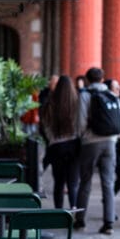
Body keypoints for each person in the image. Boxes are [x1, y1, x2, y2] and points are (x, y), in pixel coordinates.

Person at [76, 67, 120, 234]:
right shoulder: (112, 95)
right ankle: (109, 222)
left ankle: (80, 220)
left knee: (86, 180)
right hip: (110, 142)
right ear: (103, 79)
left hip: (91, 142)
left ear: (88, 80)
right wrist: (114, 138)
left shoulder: (85, 94)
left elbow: (81, 121)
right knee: (108, 183)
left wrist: (83, 136)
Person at [40, 74, 80, 210]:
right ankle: (74, 208)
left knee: (59, 182)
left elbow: (45, 126)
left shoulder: (50, 104)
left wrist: (51, 139)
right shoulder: (76, 102)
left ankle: (59, 211)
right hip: (74, 146)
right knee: (73, 182)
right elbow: (81, 124)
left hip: (56, 147)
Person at [106, 78, 120, 196]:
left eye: (118, 86)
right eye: (115, 87)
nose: (118, 89)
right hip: (108, 143)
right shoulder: (106, 104)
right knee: (109, 176)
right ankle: (108, 204)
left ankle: (108, 199)